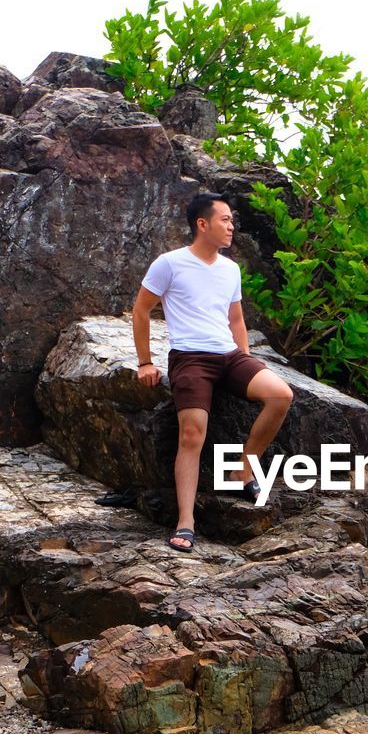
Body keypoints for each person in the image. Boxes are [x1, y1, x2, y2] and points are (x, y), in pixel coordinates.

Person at [132, 192, 294, 552]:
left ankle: (243, 470)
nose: (232, 227)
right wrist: (145, 362)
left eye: (232, 221)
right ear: (202, 224)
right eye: (225, 220)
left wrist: (246, 361)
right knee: (192, 434)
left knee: (281, 394)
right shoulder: (169, 264)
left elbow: (236, 318)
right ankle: (186, 522)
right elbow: (141, 310)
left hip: (230, 356)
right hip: (190, 358)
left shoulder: (230, 269)